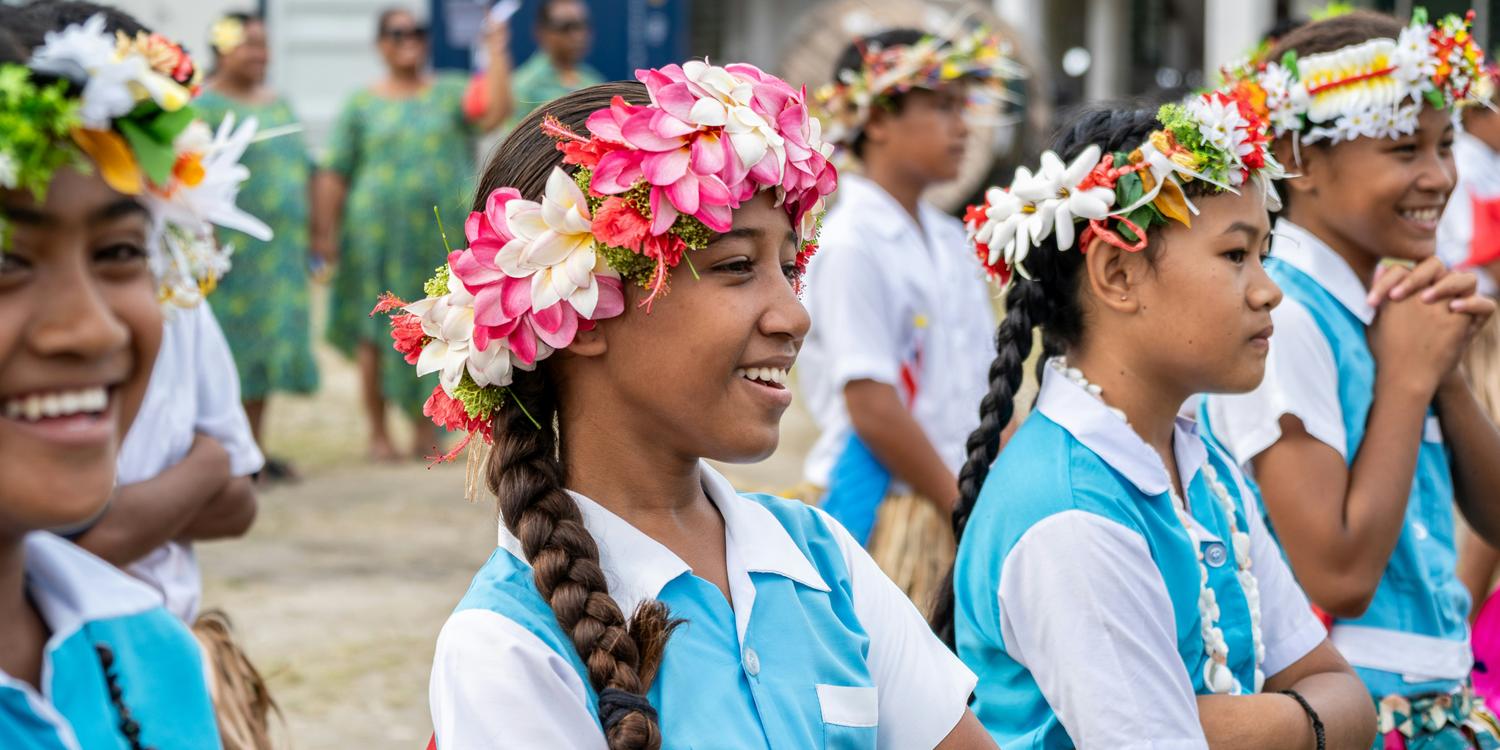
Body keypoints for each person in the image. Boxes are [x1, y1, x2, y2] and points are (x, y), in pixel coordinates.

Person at [388, 62, 992, 748]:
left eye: (790, 269)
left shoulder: (823, 562)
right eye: (737, 266)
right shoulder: (508, 648)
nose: (795, 315)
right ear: (580, 315)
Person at [929, 85, 1376, 748]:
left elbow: (1347, 695)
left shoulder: (1197, 461)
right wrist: (1309, 721)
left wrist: (1239, 723)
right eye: (1234, 255)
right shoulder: (1073, 515)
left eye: (1264, 255)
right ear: (1117, 275)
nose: (1268, 289)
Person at [1203, 10, 1500, 746]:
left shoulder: (1383, 303)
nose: (1438, 176)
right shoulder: (1287, 317)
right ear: (1294, 156)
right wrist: (1406, 378)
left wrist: (1447, 373)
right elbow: (1338, 576)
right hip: (1352, 705)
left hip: (1433, 693)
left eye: (1445, 144)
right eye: (1403, 149)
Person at [0, 1, 269, 744]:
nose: (89, 327)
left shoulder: (156, 661)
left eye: (119, 251)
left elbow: (236, 492)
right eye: (5, 260)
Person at [801, 27, 1022, 606]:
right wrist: (960, 505)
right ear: (875, 120)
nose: (963, 127)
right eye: (943, 107)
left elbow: (981, 384)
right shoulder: (850, 242)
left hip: (960, 498)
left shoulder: (951, 239)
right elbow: (872, 404)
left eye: (964, 108)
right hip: (893, 507)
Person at [312, 5, 509, 462]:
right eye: (398, 33)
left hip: (436, 241)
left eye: (417, 31)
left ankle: (428, 431)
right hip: (372, 241)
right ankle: (379, 434)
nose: (410, 40)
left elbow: (493, 113)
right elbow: (335, 172)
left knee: (441, 329)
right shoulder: (361, 104)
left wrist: (496, 52)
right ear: (381, 44)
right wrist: (324, 234)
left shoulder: (450, 91)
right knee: (374, 338)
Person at [195, 11, 320, 481]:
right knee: (229, 352)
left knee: (265, 353)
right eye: (249, 44)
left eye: (264, 45)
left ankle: (254, 448)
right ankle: (228, 455)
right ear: (223, 48)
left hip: (279, 255)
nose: (260, 54)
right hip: (228, 254)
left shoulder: (278, 104)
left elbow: (303, 170)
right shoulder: (203, 107)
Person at [496, 0, 603, 134]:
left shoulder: (592, 80)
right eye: (565, 27)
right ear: (541, 32)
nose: (578, 35)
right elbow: (514, 144)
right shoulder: (525, 86)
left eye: (582, 26)